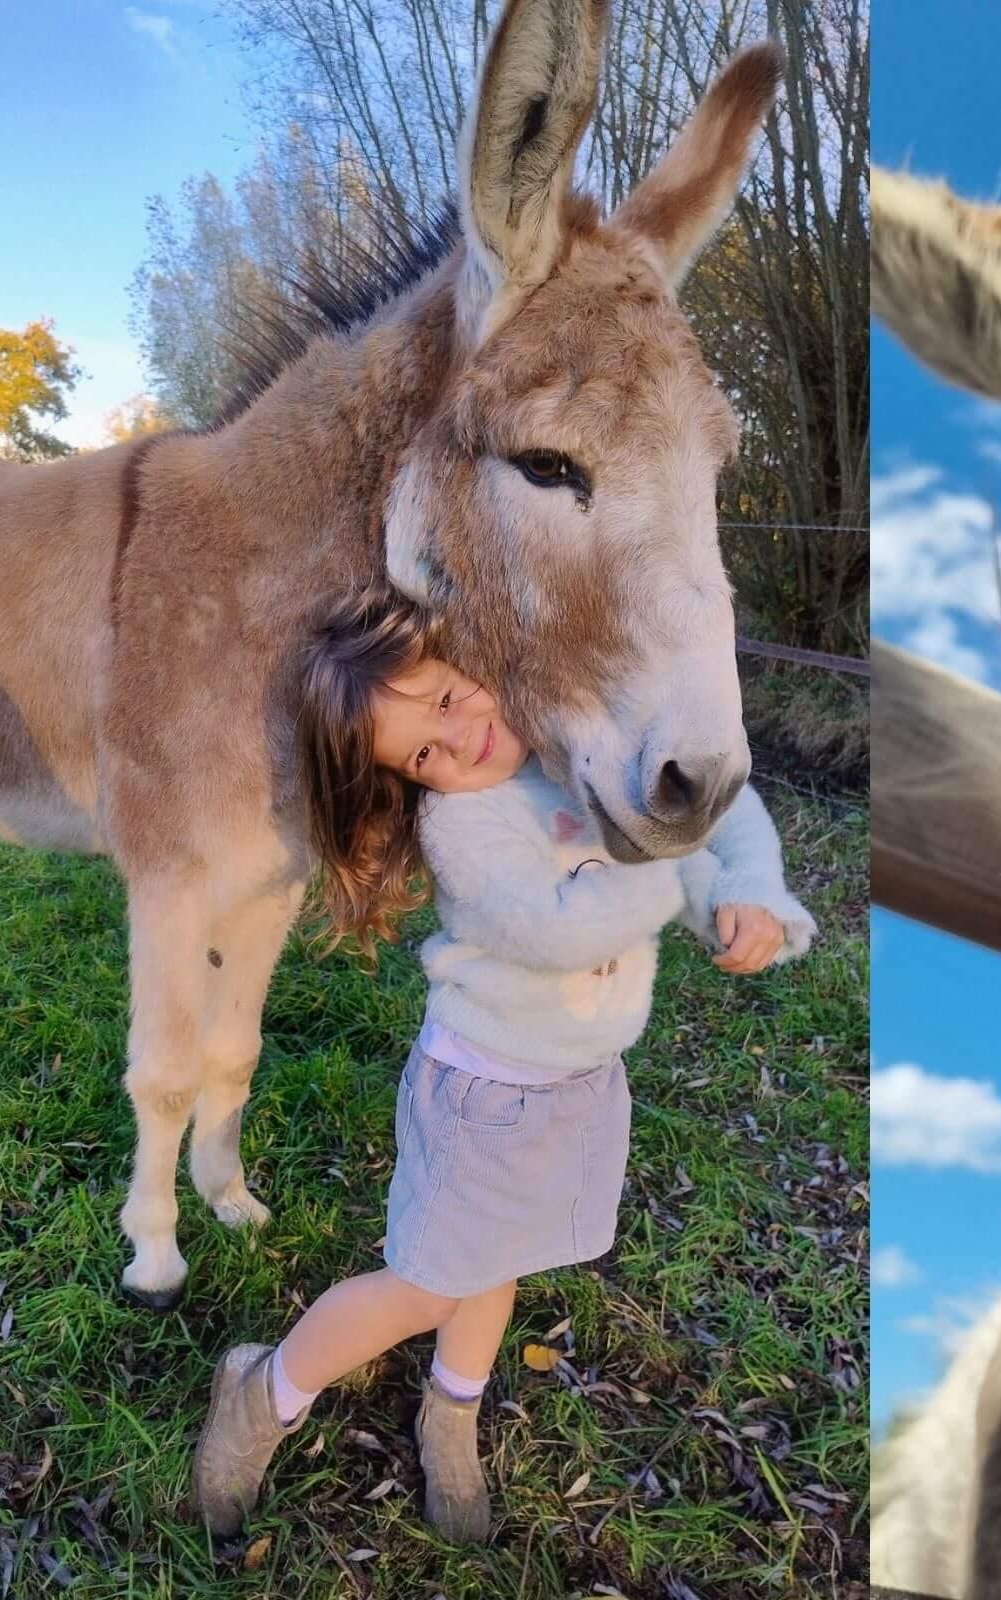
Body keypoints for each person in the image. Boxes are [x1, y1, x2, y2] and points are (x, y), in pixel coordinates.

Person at [193, 584, 816, 1542]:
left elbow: (718, 807)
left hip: (581, 1082)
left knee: (503, 1266)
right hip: (484, 1096)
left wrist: (745, 888)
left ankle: (452, 1411)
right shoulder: (464, 824)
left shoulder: (582, 743)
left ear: (478, 656)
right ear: (407, 780)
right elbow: (565, 929)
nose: (460, 740)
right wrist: (667, 852)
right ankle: (266, 1391)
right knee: (427, 1285)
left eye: (448, 698)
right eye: (424, 753)